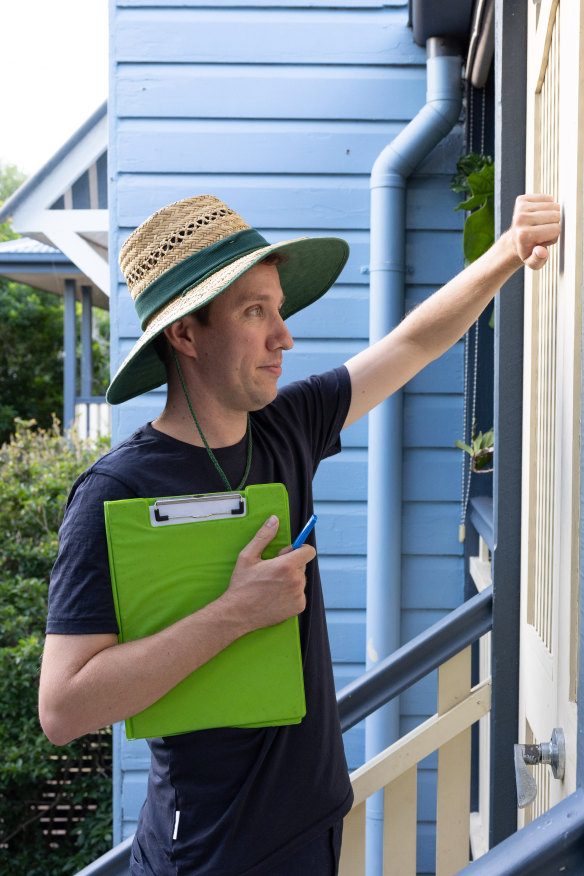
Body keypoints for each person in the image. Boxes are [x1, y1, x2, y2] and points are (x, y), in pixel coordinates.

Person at [39, 192, 560, 875]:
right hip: (207, 857)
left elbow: (413, 343)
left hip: (311, 835)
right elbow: (63, 707)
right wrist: (233, 614)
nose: (283, 336)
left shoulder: (288, 426)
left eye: (278, 310)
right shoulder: (118, 490)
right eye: (255, 312)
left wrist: (505, 253)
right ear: (185, 335)